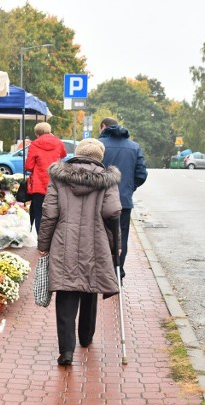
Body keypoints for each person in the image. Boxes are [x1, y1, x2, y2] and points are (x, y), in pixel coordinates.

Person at [38, 138, 122, 366]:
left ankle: (66, 351)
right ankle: (86, 336)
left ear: (77, 154)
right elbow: (113, 211)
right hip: (95, 241)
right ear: (99, 157)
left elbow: (49, 213)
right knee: (90, 285)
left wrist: (43, 245)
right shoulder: (107, 180)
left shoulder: (59, 176)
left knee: (66, 290)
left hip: (64, 241)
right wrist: (116, 246)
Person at [99, 117, 148, 281]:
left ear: (104, 127)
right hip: (123, 202)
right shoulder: (134, 146)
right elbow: (141, 174)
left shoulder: (98, 145)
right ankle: (117, 272)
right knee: (121, 238)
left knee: (99, 236)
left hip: (99, 200)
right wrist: (128, 187)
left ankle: (101, 273)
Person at [25, 122, 67, 232]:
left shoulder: (34, 144)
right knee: (55, 214)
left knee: (39, 213)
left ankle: (41, 243)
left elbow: (28, 166)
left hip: (39, 186)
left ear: (37, 133)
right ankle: (53, 242)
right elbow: (63, 155)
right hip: (56, 184)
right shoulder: (58, 142)